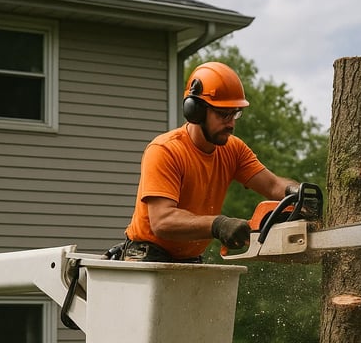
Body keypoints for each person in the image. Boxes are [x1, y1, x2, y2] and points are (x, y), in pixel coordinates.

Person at [117, 61, 300, 263]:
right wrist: (218, 225)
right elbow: (162, 221)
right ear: (196, 111)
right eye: (223, 114)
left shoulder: (233, 149)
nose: (230, 123)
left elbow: (273, 185)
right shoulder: (166, 150)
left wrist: (297, 193)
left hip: (191, 258)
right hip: (147, 257)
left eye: (235, 113)